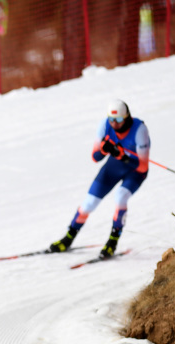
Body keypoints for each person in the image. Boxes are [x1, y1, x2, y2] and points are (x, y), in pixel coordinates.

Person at [48, 99, 150, 259]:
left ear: (127, 117)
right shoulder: (105, 125)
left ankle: (112, 242)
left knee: (121, 196)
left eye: (119, 120)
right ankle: (68, 237)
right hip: (113, 168)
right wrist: (103, 149)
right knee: (88, 204)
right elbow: (95, 157)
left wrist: (123, 156)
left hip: (134, 172)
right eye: (112, 119)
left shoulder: (139, 129)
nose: (115, 124)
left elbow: (143, 166)